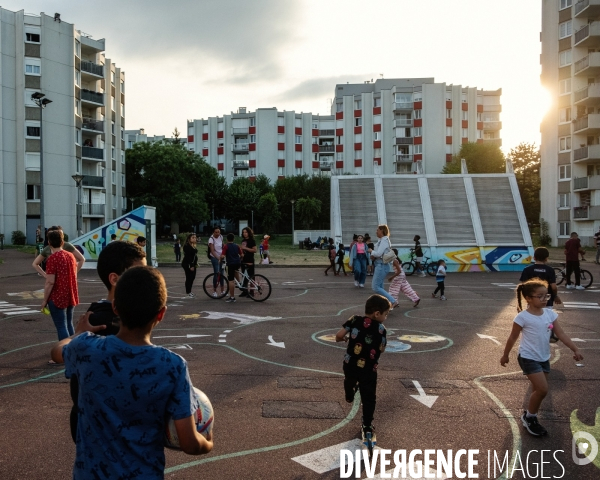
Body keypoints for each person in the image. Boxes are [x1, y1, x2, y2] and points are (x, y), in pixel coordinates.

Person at [50, 266, 213, 479]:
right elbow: (189, 443)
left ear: (115, 306)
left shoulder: (86, 348)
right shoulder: (172, 365)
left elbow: (56, 352)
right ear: (161, 314)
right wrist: (207, 443)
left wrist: (78, 334)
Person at [69, 240, 147, 442]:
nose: (147, 280)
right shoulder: (102, 322)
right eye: (139, 274)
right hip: (105, 427)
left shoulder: (104, 314)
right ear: (114, 279)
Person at [500, 278, 583, 436]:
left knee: (538, 390)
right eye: (541, 296)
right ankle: (530, 418)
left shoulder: (550, 314)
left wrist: (575, 349)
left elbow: (561, 333)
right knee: (543, 389)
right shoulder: (522, 317)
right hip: (528, 357)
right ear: (528, 298)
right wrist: (505, 355)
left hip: (544, 357)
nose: (545, 299)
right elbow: (512, 337)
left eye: (546, 296)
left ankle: (529, 414)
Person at [335, 294, 390, 447]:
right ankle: (367, 424)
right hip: (369, 369)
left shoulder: (354, 320)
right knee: (369, 397)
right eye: (386, 314)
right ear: (377, 313)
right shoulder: (381, 329)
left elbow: (338, 336)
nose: (386, 317)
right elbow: (383, 349)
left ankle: (349, 391)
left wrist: (345, 339)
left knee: (350, 379)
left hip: (350, 364)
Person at [41, 229, 79, 364]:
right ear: (63, 241)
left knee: (61, 326)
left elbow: (50, 281)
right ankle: (74, 353)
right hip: (70, 294)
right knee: (69, 324)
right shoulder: (70, 256)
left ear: (49, 243)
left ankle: (64, 355)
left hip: (57, 296)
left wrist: (44, 300)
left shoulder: (52, 259)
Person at [368, 225, 396, 305]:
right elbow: (380, 254)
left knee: (375, 286)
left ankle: (392, 301)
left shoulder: (384, 240)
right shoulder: (381, 240)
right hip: (380, 264)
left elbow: (379, 253)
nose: (376, 231)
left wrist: (371, 251)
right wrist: (374, 256)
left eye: (378, 230)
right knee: (380, 286)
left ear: (382, 231)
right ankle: (384, 303)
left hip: (381, 265)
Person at [221, 233, 243, 303]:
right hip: (237, 262)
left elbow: (222, 256)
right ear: (233, 239)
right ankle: (239, 283)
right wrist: (239, 259)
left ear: (227, 239)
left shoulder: (226, 246)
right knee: (236, 271)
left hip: (230, 263)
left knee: (231, 280)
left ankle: (232, 297)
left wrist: (220, 260)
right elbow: (242, 254)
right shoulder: (237, 246)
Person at [240, 227, 257, 298]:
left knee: (251, 276)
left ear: (249, 233)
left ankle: (252, 291)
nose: (244, 234)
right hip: (244, 259)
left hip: (249, 259)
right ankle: (245, 290)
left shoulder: (251, 241)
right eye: (243, 232)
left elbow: (255, 250)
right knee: (244, 275)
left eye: (246, 232)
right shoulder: (243, 241)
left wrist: (245, 248)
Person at [208, 226, 225, 297]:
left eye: (218, 232)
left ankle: (222, 290)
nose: (217, 233)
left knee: (222, 274)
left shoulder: (221, 237)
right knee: (216, 273)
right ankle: (214, 291)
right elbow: (212, 250)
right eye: (216, 232)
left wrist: (223, 255)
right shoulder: (211, 239)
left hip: (221, 257)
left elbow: (223, 246)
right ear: (213, 232)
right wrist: (218, 258)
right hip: (214, 257)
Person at [181, 233, 198, 298]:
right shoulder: (187, 246)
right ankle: (188, 292)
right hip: (187, 264)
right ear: (189, 239)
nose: (194, 239)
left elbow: (194, 256)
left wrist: (195, 263)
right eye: (193, 237)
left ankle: (190, 291)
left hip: (193, 264)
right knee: (189, 278)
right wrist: (191, 265)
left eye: (195, 237)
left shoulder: (193, 245)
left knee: (192, 277)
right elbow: (188, 257)